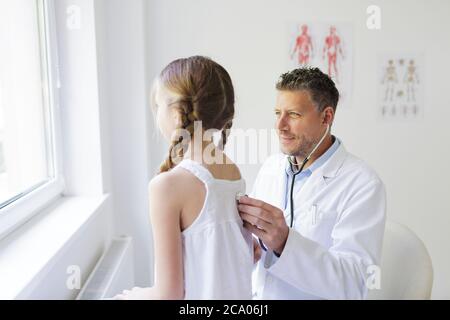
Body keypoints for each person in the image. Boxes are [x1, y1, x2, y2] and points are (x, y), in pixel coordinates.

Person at [238, 67, 386, 299]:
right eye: (278, 113)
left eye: (294, 114)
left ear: (326, 117)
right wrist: (251, 249)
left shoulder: (362, 183)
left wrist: (285, 243)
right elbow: (258, 248)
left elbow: (356, 282)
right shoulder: (271, 168)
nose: (280, 125)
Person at [115, 56, 253, 300]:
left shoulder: (167, 186)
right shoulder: (232, 172)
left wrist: (132, 296)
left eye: (158, 106)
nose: (157, 115)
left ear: (178, 114)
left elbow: (167, 295)